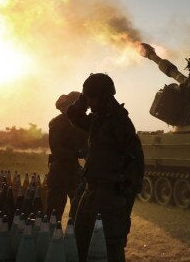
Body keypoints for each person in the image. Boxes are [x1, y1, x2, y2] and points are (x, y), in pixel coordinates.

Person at [67, 73, 143, 262]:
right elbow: (74, 116)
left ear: (103, 97)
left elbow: (136, 163)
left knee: (110, 246)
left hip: (110, 197)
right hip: (91, 192)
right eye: (88, 98)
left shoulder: (119, 122)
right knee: (81, 241)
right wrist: (83, 97)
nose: (89, 103)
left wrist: (126, 199)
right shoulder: (99, 118)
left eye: (91, 98)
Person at [47, 91, 88, 221]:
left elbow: (87, 147)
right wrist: (77, 154)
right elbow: (56, 149)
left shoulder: (80, 123)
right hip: (61, 169)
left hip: (71, 169)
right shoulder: (57, 122)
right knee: (54, 210)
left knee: (77, 209)